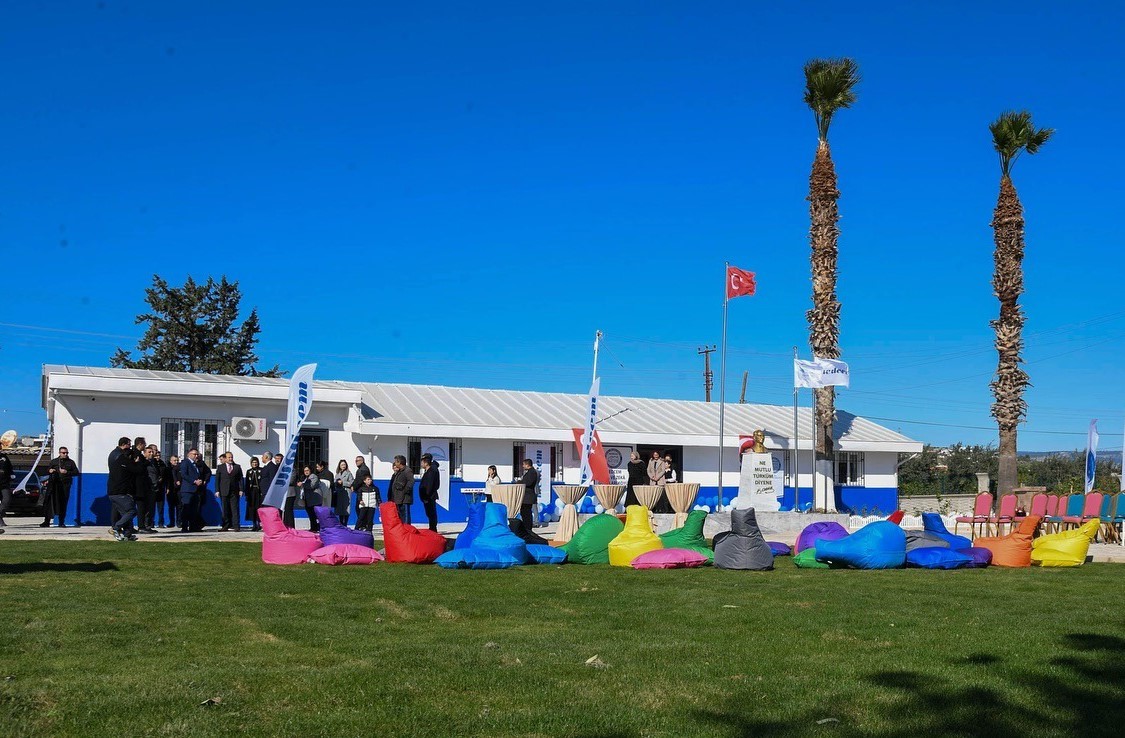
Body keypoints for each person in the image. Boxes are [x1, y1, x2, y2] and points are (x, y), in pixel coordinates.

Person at [107, 437, 138, 541]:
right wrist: (135, 462)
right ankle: (115, 528)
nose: (130, 447)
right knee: (131, 511)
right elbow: (134, 469)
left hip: (113, 490)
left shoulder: (113, 454)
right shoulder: (120, 456)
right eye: (129, 445)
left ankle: (127, 535)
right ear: (124, 444)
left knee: (125, 513)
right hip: (119, 490)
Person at [41, 446, 79, 528]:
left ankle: (61, 522)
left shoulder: (71, 462)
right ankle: (46, 521)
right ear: (60, 453)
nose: (65, 454)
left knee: (63, 503)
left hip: (65, 485)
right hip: (54, 485)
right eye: (63, 453)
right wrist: (50, 471)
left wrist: (67, 472)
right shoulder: (54, 461)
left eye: (66, 453)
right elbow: (47, 470)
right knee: (50, 502)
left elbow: (76, 472)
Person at [131, 437, 157, 534]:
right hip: (139, 486)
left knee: (145, 507)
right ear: (141, 444)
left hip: (144, 486)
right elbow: (138, 467)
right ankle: (141, 526)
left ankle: (143, 526)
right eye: (144, 444)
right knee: (140, 507)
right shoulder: (135, 454)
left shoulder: (141, 457)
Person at [179, 448, 207, 533]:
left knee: (194, 510)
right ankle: (184, 527)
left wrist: (200, 480)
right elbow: (184, 474)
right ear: (189, 454)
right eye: (194, 454)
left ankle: (193, 526)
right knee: (186, 509)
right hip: (188, 490)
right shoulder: (185, 462)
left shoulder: (196, 465)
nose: (196, 456)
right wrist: (194, 481)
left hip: (195, 490)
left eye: (197, 454)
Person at [215, 452, 244, 532]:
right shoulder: (220, 467)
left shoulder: (237, 467)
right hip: (224, 491)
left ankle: (236, 526)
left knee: (235, 509)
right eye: (229, 457)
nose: (230, 459)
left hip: (234, 491)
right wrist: (217, 490)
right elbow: (217, 479)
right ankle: (225, 525)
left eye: (231, 457)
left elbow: (240, 479)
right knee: (225, 509)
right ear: (225, 458)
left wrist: (241, 489)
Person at [388, 455, 414, 524]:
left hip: (404, 499)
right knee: (400, 517)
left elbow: (411, 482)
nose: (395, 463)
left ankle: (407, 531)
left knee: (405, 517)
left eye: (396, 462)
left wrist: (405, 491)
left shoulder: (407, 471)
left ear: (399, 462)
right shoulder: (399, 472)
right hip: (398, 499)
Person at [419, 453, 440, 532]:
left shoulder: (432, 471)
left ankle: (433, 529)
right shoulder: (429, 471)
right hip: (427, 497)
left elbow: (430, 485)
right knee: (430, 514)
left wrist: (426, 495)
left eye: (422, 462)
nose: (421, 464)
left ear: (426, 462)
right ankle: (432, 528)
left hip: (429, 497)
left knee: (431, 514)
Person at [518, 459, 539, 537]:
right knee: (524, 513)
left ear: (527, 465)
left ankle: (528, 530)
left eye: (523, 464)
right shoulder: (529, 472)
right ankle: (526, 529)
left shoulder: (532, 472)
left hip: (528, 497)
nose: (523, 466)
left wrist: (520, 482)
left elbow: (528, 482)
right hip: (525, 497)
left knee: (527, 514)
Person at [244, 456, 264, 532]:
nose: (254, 464)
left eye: (256, 462)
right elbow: (247, 483)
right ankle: (254, 524)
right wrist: (247, 494)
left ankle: (259, 523)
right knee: (252, 508)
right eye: (253, 463)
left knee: (259, 507)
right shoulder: (249, 471)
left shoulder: (261, 470)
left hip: (259, 492)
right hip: (251, 492)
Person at [300, 465, 321, 532]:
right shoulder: (306, 478)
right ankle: (313, 527)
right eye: (304, 471)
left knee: (314, 514)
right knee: (310, 514)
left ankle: (316, 527)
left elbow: (312, 485)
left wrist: (303, 484)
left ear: (310, 470)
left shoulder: (313, 476)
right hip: (308, 499)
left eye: (307, 470)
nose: (306, 472)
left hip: (314, 499)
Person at [163, 454, 182, 529]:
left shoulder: (180, 468)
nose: (176, 462)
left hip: (179, 490)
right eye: (174, 460)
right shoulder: (168, 469)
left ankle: (179, 522)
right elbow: (167, 480)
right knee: (171, 507)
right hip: (171, 490)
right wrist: (167, 488)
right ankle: (172, 522)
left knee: (179, 507)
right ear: (171, 461)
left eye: (177, 460)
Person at [151, 449, 168, 528]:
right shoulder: (152, 463)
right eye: (156, 455)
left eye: (159, 456)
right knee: (152, 507)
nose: (158, 457)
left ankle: (161, 522)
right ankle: (151, 522)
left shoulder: (162, 464)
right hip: (154, 487)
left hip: (161, 487)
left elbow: (165, 474)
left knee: (161, 507)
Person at [0, 447, 12, 534]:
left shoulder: (4, 457)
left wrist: (11, 475)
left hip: (4, 483)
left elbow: (10, 468)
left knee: (6, 500)